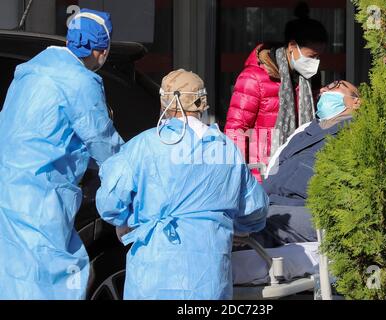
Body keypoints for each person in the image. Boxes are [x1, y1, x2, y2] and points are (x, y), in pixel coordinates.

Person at [95, 69, 269, 300]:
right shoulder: (226, 149)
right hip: (209, 274)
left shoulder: (144, 145)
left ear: (164, 101)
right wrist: (228, 225)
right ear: (202, 102)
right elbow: (254, 210)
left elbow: (110, 202)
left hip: (155, 269)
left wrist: (125, 221)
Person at [0, 9, 123, 299]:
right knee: (58, 279)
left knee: (17, 280)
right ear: (100, 50)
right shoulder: (79, 83)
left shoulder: (29, 72)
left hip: (9, 196)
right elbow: (104, 144)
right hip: (41, 202)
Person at [225, 3, 328, 182]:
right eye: (311, 56)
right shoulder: (253, 78)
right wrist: (240, 178)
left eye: (319, 57)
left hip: (295, 173)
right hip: (261, 175)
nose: (316, 63)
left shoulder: (304, 79)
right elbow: (236, 130)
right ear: (292, 46)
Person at [254, 80, 361, 248]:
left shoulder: (355, 135)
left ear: (356, 102)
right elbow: (276, 171)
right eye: (325, 86)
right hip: (271, 202)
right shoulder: (305, 132)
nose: (325, 88)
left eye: (336, 85)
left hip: (307, 209)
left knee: (256, 225)